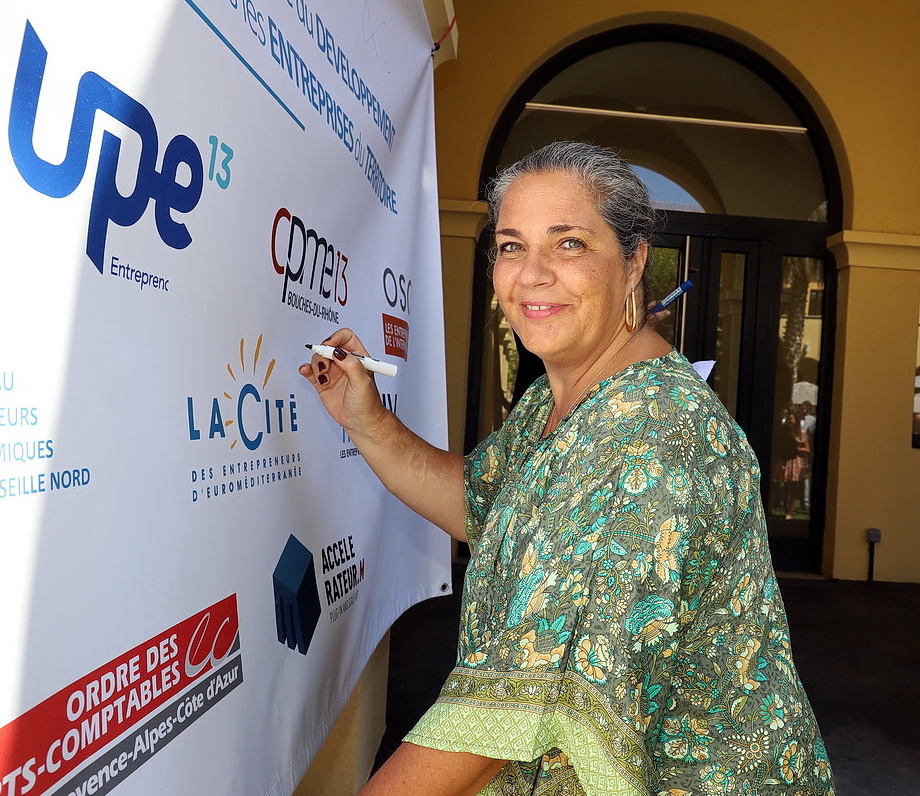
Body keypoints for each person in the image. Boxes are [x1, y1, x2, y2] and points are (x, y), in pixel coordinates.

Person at [299, 141, 835, 795]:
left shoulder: (649, 442)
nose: (531, 274)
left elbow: (506, 716)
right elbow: (484, 505)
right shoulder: (557, 395)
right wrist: (368, 421)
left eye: (570, 243)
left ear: (634, 262)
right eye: (511, 245)